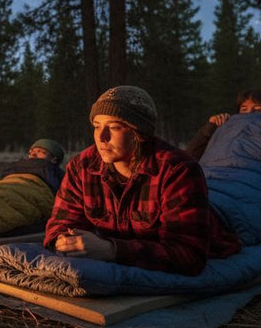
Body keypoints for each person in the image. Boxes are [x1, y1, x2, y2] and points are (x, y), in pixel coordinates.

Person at [44, 86, 241, 275]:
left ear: (139, 133)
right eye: (97, 126)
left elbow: (189, 254)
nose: (102, 137)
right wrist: (64, 240)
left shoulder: (177, 170)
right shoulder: (82, 167)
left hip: (219, 218)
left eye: (114, 127)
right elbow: (59, 224)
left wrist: (112, 251)